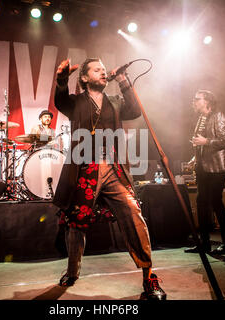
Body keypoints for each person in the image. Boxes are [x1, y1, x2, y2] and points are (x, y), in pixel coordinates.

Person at [52, 58, 166, 300]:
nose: (103, 72)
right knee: (76, 222)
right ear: (84, 78)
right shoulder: (76, 103)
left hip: (114, 168)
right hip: (85, 169)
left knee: (133, 213)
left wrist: (123, 79)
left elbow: (134, 111)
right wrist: (62, 78)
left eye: (104, 70)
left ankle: (149, 276)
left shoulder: (114, 101)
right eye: (97, 70)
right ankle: (72, 271)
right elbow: (60, 100)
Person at [185, 90, 225, 255]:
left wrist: (205, 141)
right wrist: (195, 156)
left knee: (215, 202)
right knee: (201, 202)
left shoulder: (218, 116)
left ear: (207, 101)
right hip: (202, 167)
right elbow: (201, 143)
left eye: (197, 99)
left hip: (216, 167)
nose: (194, 101)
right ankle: (204, 243)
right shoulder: (200, 118)